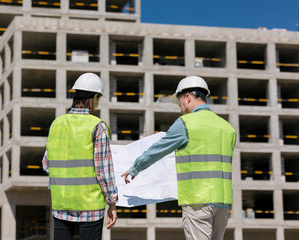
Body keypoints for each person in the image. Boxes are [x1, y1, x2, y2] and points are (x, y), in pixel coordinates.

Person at [121, 76, 236, 240]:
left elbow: (158, 149)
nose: (180, 108)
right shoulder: (227, 128)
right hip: (223, 203)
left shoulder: (186, 123)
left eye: (180, 101)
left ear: (188, 97)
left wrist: (135, 168)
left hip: (198, 201)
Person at [42, 73, 118, 240]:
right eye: (98, 98)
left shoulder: (57, 124)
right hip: (90, 205)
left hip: (61, 203)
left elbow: (46, 164)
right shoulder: (97, 126)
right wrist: (112, 202)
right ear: (95, 97)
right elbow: (103, 170)